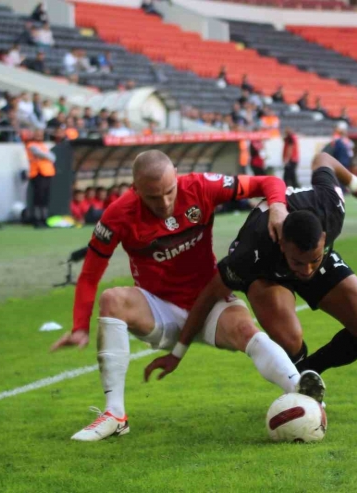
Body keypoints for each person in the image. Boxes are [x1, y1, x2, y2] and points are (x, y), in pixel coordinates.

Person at [50, 150, 315, 442]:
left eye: (169, 191)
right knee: (113, 299)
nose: (164, 203)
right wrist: (79, 326)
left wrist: (277, 207)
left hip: (209, 301)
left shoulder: (201, 186)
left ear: (176, 175)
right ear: (134, 189)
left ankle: (303, 394)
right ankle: (115, 415)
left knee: (246, 330)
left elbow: (269, 181)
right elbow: (89, 275)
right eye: (153, 197)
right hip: (158, 308)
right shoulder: (117, 215)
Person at [145, 153, 357, 390]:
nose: (307, 270)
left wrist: (356, 184)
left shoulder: (331, 206)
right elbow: (209, 295)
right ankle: (303, 389)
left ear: (324, 238)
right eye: (299, 263)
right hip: (266, 273)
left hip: (305, 254)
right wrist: (177, 353)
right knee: (289, 338)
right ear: (282, 242)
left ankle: (305, 372)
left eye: (313, 259)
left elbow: (322, 158)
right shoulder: (250, 253)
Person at [25, 129, 56, 228]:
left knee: (45, 198)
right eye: (37, 134)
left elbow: (52, 157)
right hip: (37, 174)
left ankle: (44, 218)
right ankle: (37, 219)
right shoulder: (31, 145)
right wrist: (47, 156)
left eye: (41, 134)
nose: (39, 136)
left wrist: (47, 156)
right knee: (38, 198)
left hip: (47, 173)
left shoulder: (43, 145)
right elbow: (43, 155)